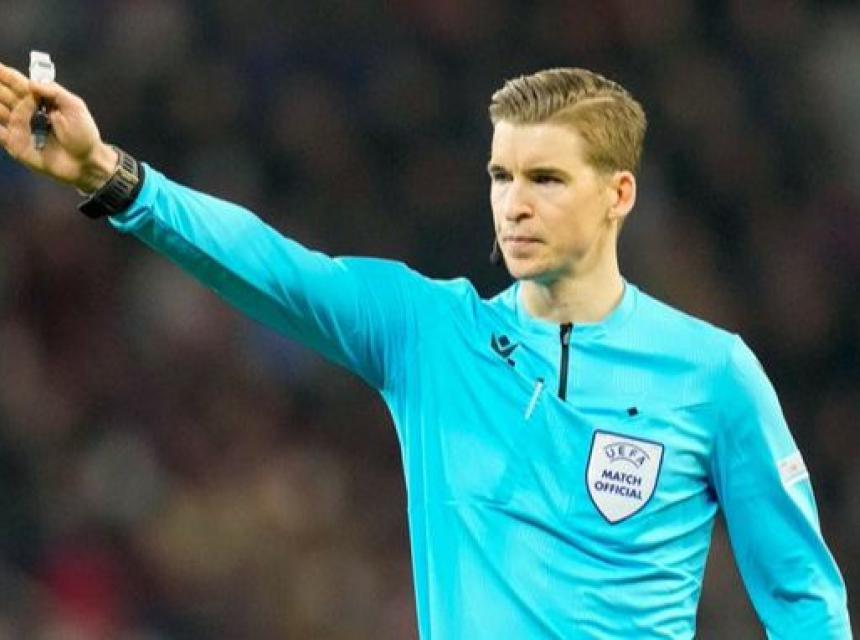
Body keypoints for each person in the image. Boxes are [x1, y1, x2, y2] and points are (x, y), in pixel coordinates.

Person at [0, 61, 851, 638]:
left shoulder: (712, 373)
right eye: (501, 176)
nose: (514, 204)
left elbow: (804, 601)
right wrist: (109, 174)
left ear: (617, 194)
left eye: (546, 179)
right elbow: (274, 265)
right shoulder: (429, 334)